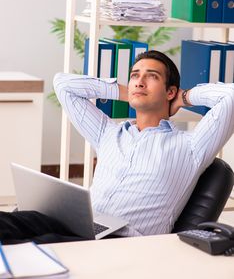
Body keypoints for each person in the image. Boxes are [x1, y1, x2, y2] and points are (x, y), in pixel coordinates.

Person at [53, 50, 234, 237]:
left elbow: (231, 96)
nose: (140, 81)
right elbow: (62, 84)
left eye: (152, 77)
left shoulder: (191, 146)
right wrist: (128, 92)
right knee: (24, 220)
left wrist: (184, 97)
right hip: (79, 225)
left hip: (118, 242)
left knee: (35, 247)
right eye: (135, 76)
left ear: (170, 91)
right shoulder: (107, 133)